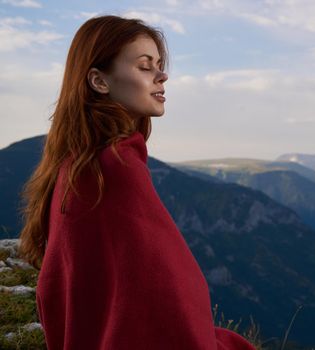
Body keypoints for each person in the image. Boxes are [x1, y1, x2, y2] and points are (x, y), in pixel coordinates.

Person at [17, 15, 257, 350]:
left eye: (159, 65)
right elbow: (166, 296)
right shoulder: (114, 168)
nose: (163, 76)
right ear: (100, 81)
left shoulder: (78, 163)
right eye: (145, 67)